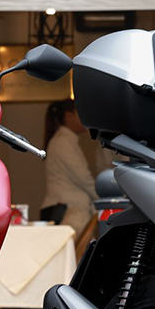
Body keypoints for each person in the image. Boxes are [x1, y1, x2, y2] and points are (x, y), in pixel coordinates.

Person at [41, 99, 98, 232]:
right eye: (80, 113)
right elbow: (83, 178)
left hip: (66, 209)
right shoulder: (63, 141)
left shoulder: (64, 140)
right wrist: (103, 198)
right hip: (68, 212)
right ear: (68, 116)